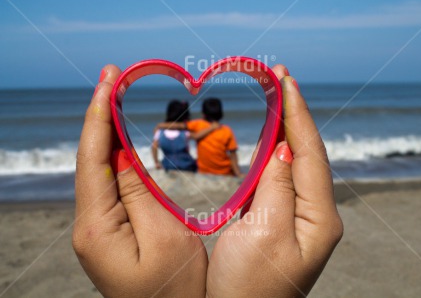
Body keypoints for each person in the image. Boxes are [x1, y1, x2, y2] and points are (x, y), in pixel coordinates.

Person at [73, 64, 343, 297]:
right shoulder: (220, 129)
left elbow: (180, 133)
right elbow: (227, 151)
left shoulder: (188, 127)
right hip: (209, 169)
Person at [156, 98, 243, 177]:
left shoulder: (198, 124)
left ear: (203, 114)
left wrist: (161, 125)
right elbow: (233, 155)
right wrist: (238, 173)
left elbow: (179, 126)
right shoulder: (227, 130)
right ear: (220, 113)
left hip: (203, 171)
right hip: (225, 172)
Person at [151, 100, 217, 172]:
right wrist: (211, 128)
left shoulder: (160, 132)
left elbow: (154, 147)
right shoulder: (184, 132)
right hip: (186, 165)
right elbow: (196, 136)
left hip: (168, 165)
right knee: (196, 162)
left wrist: (156, 162)